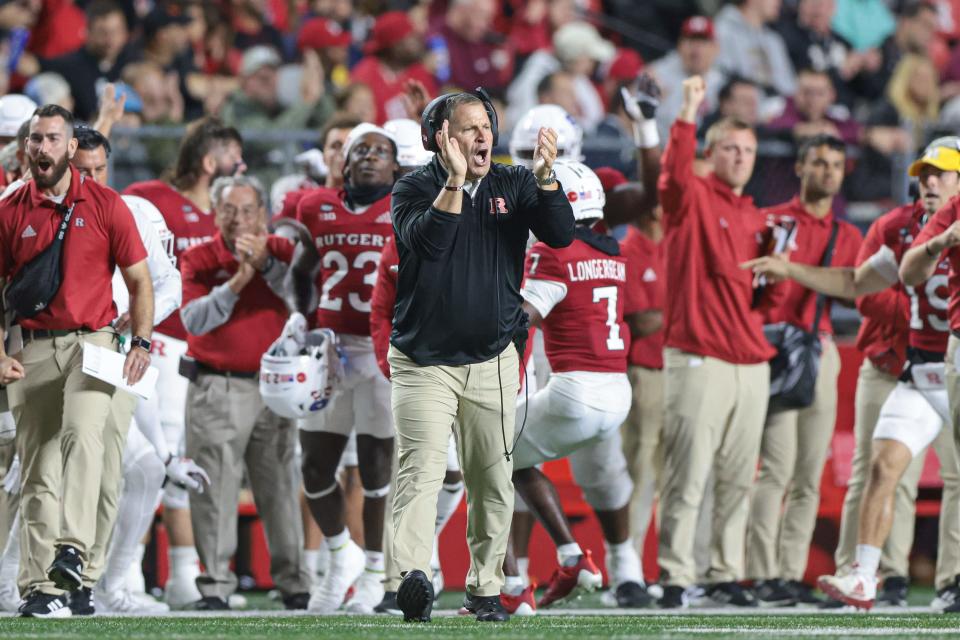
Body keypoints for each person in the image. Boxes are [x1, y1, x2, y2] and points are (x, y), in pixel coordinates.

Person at [746, 136, 960, 610]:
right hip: (919, 369)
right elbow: (858, 282)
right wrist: (792, 270)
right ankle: (864, 574)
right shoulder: (907, 229)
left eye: (938, 173)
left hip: (955, 366)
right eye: (923, 173)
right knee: (881, 467)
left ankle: (953, 582)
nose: (927, 181)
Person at [389, 91, 574, 622]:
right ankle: (412, 578)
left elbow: (560, 235)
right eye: (467, 129)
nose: (481, 137)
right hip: (423, 361)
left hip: (492, 359)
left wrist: (544, 178)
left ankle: (486, 587)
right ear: (438, 138)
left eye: (485, 127)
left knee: (492, 479)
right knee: (420, 471)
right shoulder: (413, 186)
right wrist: (453, 183)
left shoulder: (514, 183)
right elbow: (430, 244)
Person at [0, 104, 153, 617]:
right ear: (26, 147)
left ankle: (73, 550)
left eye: (51, 138)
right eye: (34, 139)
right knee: (37, 468)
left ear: (70, 146)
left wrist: (143, 342)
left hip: (95, 343)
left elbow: (139, 282)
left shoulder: (109, 205)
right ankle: (41, 587)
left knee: (83, 435)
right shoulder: (9, 210)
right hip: (33, 350)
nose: (41, 147)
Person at [500, 159, 650, 616]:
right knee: (512, 459)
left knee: (485, 456)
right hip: (615, 391)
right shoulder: (612, 253)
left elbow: (522, 322)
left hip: (576, 391)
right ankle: (570, 555)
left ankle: (506, 584)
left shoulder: (552, 252)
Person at [71, 126, 209, 614]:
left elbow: (168, 282)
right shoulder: (38, 211)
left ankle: (115, 584)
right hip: (55, 357)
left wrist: (140, 313)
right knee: (36, 476)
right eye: (81, 170)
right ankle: (29, 582)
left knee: (143, 465)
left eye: (98, 170)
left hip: (110, 356)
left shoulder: (130, 211)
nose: (90, 179)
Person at [656, 76, 780, 609]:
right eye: (730, 147)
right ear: (710, 153)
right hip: (699, 357)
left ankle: (724, 572)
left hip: (751, 362)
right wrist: (687, 109)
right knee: (686, 479)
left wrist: (776, 284)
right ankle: (676, 575)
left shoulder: (757, 216)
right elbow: (672, 177)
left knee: (736, 481)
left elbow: (764, 303)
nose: (740, 156)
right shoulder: (692, 198)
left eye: (748, 149)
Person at [123, 117, 245, 608]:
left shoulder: (231, 210)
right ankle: (126, 570)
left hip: (210, 351)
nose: (242, 167)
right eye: (234, 158)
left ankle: (184, 576)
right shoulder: (147, 198)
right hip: (162, 346)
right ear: (211, 162)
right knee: (156, 457)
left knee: (191, 463)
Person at [179, 175, 311, 610]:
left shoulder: (283, 252)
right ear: (215, 214)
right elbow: (194, 321)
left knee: (279, 487)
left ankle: (295, 583)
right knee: (214, 488)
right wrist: (238, 280)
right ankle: (216, 586)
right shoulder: (199, 257)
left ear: (264, 215)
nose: (238, 219)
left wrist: (267, 268)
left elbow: (304, 300)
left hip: (274, 387)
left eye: (247, 210)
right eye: (229, 211)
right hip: (218, 384)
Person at [742, 135, 862, 607]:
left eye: (835, 164)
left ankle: (790, 573)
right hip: (774, 346)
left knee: (810, 473)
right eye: (819, 162)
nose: (828, 171)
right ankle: (761, 572)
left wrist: (795, 272)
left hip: (821, 348)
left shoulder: (848, 234)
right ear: (800, 167)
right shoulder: (771, 221)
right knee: (776, 468)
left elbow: (857, 293)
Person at [286, 123, 399, 614]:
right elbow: (301, 268)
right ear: (344, 161)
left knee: (376, 471)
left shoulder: (405, 207)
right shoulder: (315, 207)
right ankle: (340, 557)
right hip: (329, 349)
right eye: (362, 150)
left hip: (380, 350)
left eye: (381, 151)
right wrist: (298, 315)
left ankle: (375, 570)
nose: (371, 157)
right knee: (313, 465)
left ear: (396, 167)